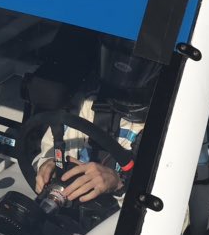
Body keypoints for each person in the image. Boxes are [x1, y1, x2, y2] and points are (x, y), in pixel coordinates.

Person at [34, 38, 158, 204]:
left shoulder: (170, 130)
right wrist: (48, 165)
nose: (123, 79)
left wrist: (119, 185)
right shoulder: (87, 104)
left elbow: (174, 214)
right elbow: (48, 149)